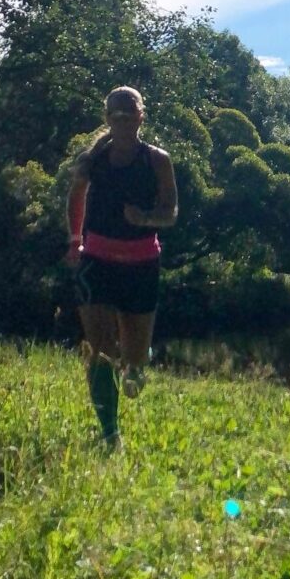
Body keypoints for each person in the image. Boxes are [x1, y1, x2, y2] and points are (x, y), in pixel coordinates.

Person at [65, 86, 178, 449]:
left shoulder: (157, 160)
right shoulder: (94, 159)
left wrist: (144, 218)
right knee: (100, 349)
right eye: (115, 115)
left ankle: (136, 367)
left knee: (133, 356)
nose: (122, 122)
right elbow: (76, 194)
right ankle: (110, 433)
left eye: (129, 115)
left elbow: (171, 212)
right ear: (107, 118)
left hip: (142, 263)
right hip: (97, 261)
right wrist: (74, 239)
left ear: (141, 117)